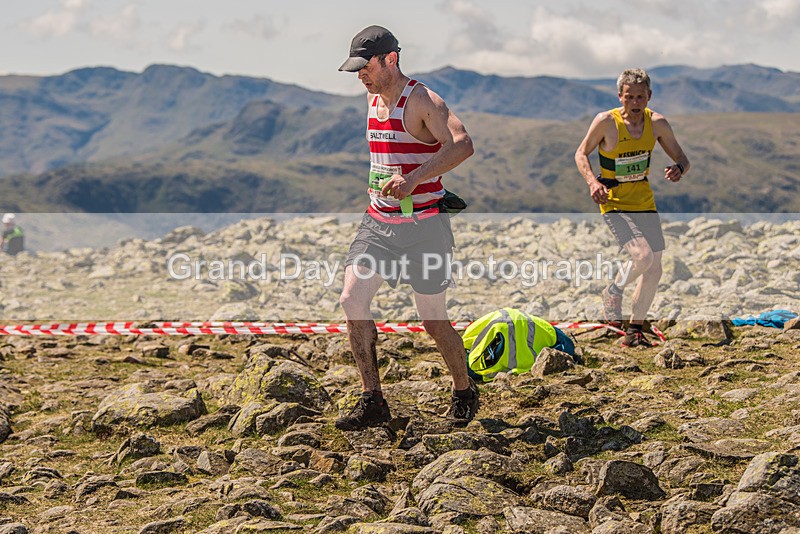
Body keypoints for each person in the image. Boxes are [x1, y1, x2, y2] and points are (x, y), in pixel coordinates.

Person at [335, 25, 478, 430]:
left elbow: (462, 144)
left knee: (432, 320)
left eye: (366, 67)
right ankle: (372, 399)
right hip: (378, 222)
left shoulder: (422, 100)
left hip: (425, 226)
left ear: (390, 59)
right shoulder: (371, 97)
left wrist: (414, 179)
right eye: (356, 69)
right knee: (352, 299)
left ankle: (464, 391)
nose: (360, 75)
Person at [575, 68, 690, 347]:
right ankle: (613, 290)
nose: (635, 103)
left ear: (649, 96)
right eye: (629, 97)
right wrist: (592, 182)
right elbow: (581, 153)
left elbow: (683, 159)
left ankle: (635, 331)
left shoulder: (658, 124)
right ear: (620, 97)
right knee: (642, 257)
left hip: (644, 202)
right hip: (614, 203)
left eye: (640, 97)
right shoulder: (606, 122)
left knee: (655, 269)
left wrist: (678, 169)